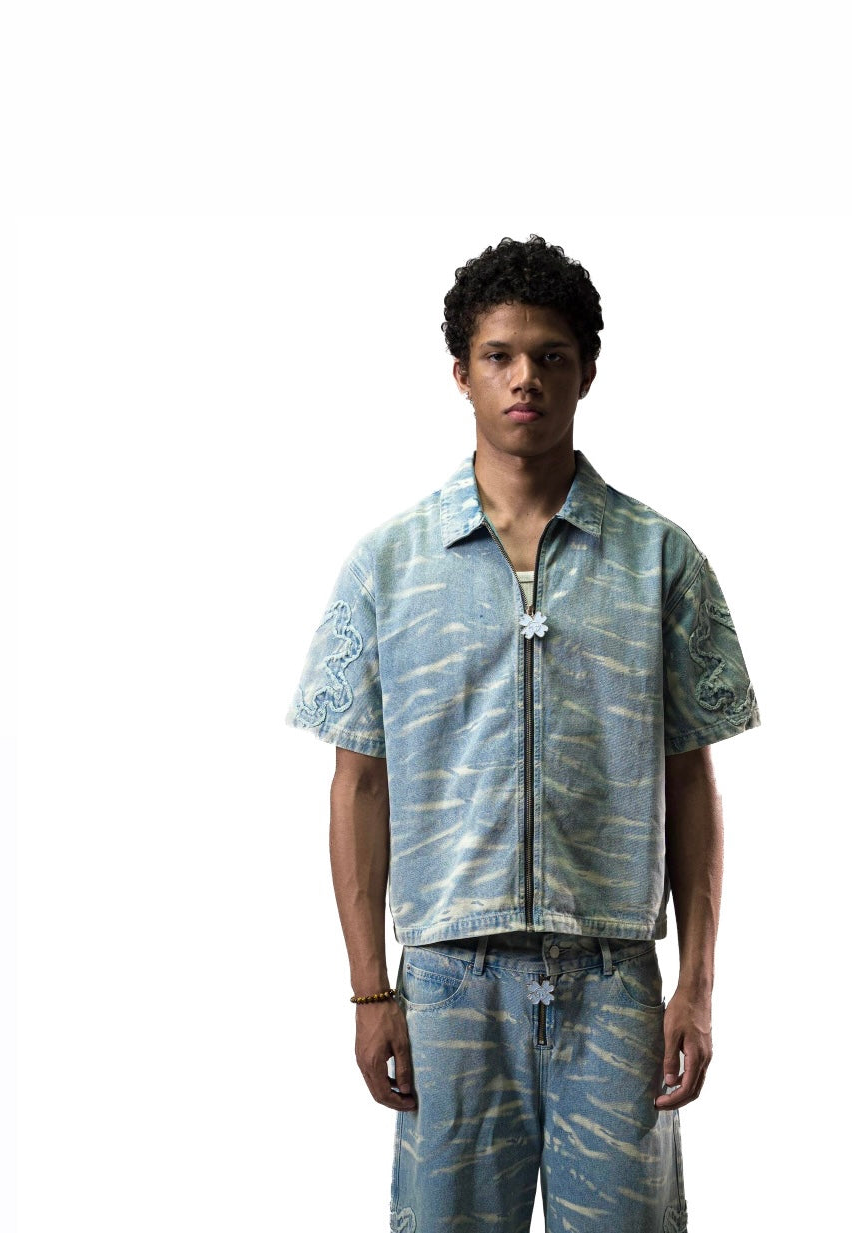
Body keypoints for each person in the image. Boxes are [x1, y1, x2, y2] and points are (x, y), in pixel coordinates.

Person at [284, 234, 761, 1233]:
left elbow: (691, 783)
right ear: (460, 373)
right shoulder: (390, 565)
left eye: (550, 355)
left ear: (588, 370)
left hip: (613, 983)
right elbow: (358, 783)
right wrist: (370, 992)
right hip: (449, 983)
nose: (525, 378)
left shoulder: (659, 561)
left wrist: (698, 985)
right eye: (498, 355)